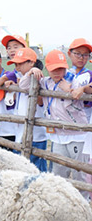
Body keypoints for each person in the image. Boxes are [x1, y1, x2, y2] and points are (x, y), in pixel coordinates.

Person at [19, 49, 89, 198]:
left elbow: (83, 94)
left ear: (65, 67)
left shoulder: (73, 80)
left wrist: (70, 90)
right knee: (58, 171)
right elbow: (23, 86)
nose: (57, 72)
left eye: (60, 68)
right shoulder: (45, 81)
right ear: (47, 69)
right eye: (53, 69)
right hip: (57, 136)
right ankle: (60, 199)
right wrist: (32, 71)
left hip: (76, 134)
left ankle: (82, 202)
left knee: (79, 174)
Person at [6, 47, 48, 172]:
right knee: (20, 168)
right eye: (16, 64)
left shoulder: (37, 78)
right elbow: (22, 85)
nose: (17, 67)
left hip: (36, 135)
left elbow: (23, 86)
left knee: (37, 169)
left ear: (31, 63)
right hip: (20, 133)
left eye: (20, 63)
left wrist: (31, 72)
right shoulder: (25, 78)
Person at [67, 38, 92, 121]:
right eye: (77, 54)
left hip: (84, 114)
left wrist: (84, 88)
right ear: (69, 54)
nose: (81, 58)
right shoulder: (64, 73)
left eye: (85, 55)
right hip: (65, 113)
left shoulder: (89, 74)